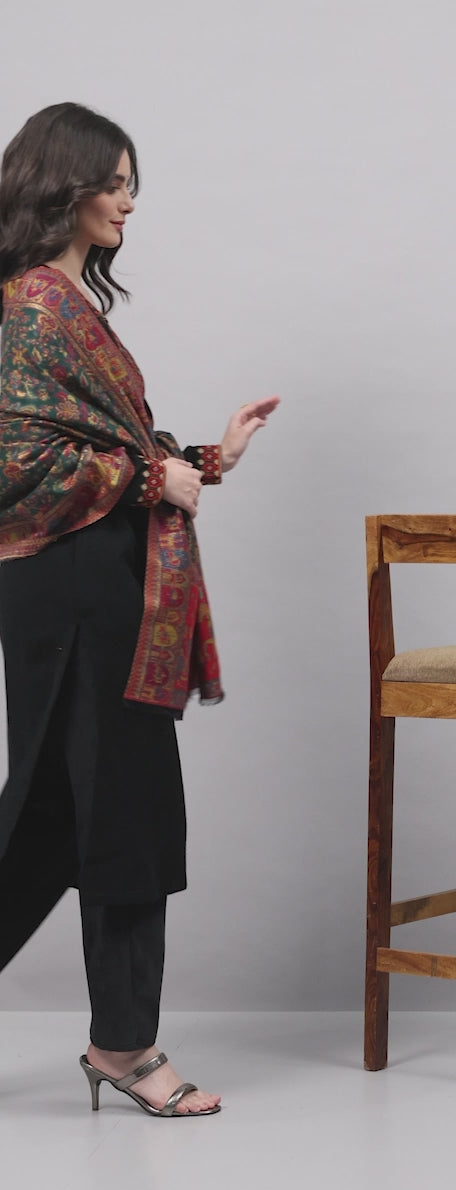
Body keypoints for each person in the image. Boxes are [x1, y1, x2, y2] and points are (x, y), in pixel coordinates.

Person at [0, 103, 280, 1117]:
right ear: (62, 185)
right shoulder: (32, 307)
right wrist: (157, 478)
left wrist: (206, 457)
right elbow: (16, 462)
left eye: (132, 185)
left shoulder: (65, 301)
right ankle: (124, 1043)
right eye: (113, 183)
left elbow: (99, 446)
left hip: (95, 582)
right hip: (72, 587)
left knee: (72, 814)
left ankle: (121, 1037)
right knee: (97, 812)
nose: (127, 202)